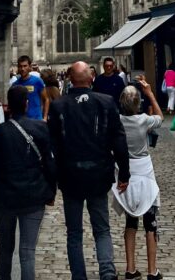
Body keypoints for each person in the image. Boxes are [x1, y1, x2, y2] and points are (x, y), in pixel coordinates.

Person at [48, 61, 130, 280]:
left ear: (69, 80)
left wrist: (52, 180)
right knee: (101, 229)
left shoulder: (59, 106)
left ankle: (79, 276)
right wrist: (124, 173)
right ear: (91, 78)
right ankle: (107, 272)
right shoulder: (105, 102)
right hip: (98, 174)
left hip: (70, 176)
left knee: (74, 233)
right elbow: (119, 140)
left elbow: (52, 147)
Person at [0, 84, 56, 280]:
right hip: (33, 196)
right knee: (27, 251)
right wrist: (51, 192)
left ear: (8, 106)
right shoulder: (40, 128)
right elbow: (50, 164)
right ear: (27, 104)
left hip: (5, 199)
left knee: (6, 247)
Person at [113, 80, 163, 280]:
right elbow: (160, 116)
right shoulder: (144, 120)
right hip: (145, 172)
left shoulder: (117, 120)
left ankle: (130, 268)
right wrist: (150, 93)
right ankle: (152, 270)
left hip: (126, 173)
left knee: (130, 222)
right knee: (150, 223)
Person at [10, 55, 47, 119]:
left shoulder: (37, 81)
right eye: (20, 66)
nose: (22, 69)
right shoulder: (15, 85)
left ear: (30, 67)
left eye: (25, 66)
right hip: (22, 122)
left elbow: (46, 99)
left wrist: (45, 117)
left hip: (36, 120)